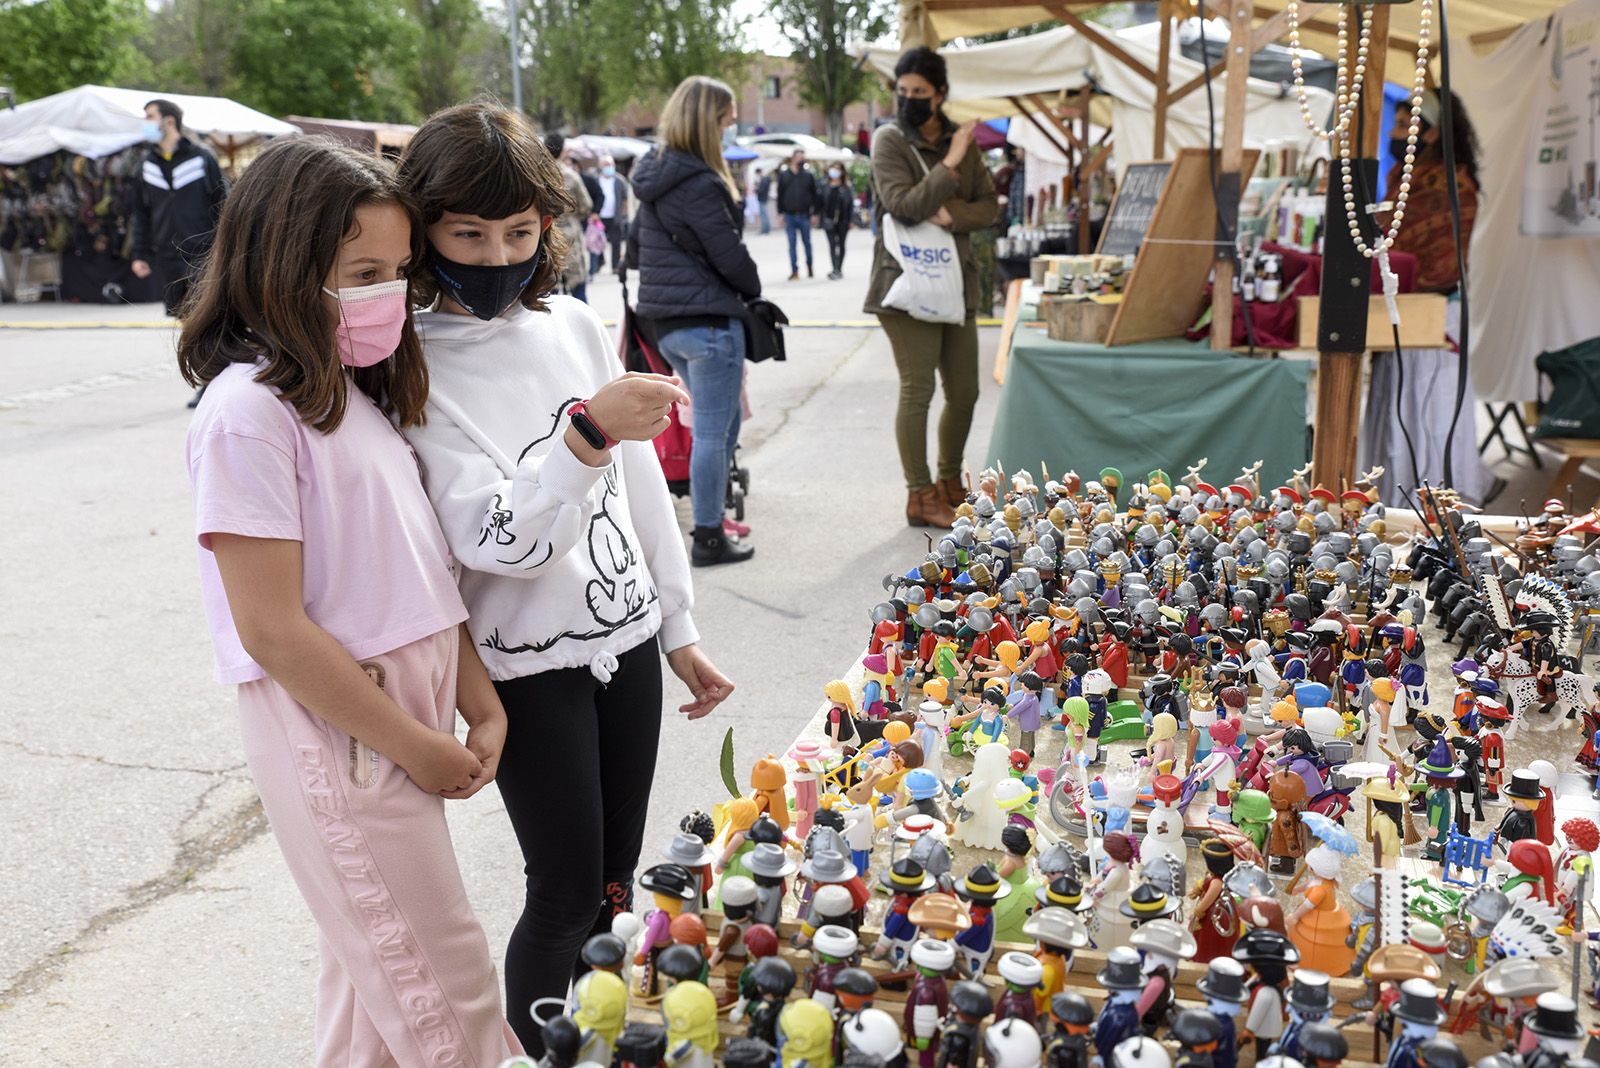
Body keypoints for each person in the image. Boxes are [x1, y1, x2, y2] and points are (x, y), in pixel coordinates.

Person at [394, 103, 735, 1054]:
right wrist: (583, 432)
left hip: (624, 645)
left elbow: (640, 488)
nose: (495, 254)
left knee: (619, 884)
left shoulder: (576, 323)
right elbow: (497, 539)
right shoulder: (410, 363)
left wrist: (677, 626)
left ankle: (597, 1039)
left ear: (549, 223)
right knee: (562, 894)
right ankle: (548, 1049)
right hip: (523, 663)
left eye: (517, 231)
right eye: (466, 233)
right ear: (423, 228)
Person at [178, 136, 520, 1065]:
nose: (390, 296)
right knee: (442, 984)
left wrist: (475, 698)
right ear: (282, 265)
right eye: (363, 272)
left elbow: (418, 572)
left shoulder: (345, 395)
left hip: (395, 716)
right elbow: (273, 629)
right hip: (347, 728)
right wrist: (410, 743)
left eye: (400, 271)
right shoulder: (246, 413)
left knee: (375, 994)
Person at [630, 76, 763, 566]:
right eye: (727, 120)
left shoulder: (652, 175)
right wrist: (754, 290)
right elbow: (728, 254)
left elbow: (637, 250)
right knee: (712, 431)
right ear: (709, 121)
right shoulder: (703, 182)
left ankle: (714, 516)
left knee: (718, 426)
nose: (732, 127)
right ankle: (708, 535)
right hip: (708, 321)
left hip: (666, 323)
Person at [866, 46, 998, 528]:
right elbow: (901, 204)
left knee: (964, 391)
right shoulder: (889, 141)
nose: (909, 100)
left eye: (919, 92)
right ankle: (920, 495)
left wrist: (953, 214)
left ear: (939, 94)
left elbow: (989, 205)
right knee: (917, 389)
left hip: (956, 282)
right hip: (905, 285)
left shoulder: (961, 140)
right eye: (902, 91)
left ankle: (948, 483)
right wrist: (952, 163)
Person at [131, 98, 229, 408]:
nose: (146, 122)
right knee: (187, 321)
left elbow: (223, 204)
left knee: (208, 317)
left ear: (169, 121)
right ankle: (207, 378)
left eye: (150, 116)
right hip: (167, 257)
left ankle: (214, 382)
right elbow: (141, 214)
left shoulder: (202, 158)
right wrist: (140, 253)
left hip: (203, 253)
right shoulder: (147, 164)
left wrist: (224, 249)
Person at [545, 133, 595, 302]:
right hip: (571, 236)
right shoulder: (571, 176)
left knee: (549, 292)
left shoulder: (538, 175)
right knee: (578, 288)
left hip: (546, 235)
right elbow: (586, 204)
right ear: (563, 150)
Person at [777, 149, 820, 280]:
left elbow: (815, 195)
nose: (801, 160)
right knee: (792, 244)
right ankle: (794, 271)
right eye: (799, 157)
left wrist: (815, 214)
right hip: (789, 215)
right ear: (793, 158)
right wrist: (781, 213)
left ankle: (810, 267)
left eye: (803, 157)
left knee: (807, 243)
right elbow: (780, 195)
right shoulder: (784, 175)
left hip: (804, 215)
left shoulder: (808, 175)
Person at [596, 152, 631, 275]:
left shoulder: (620, 180)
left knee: (616, 242)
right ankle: (600, 262)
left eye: (610, 164)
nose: (608, 167)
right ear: (601, 166)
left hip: (615, 217)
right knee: (598, 241)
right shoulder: (596, 180)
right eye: (606, 164)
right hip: (600, 217)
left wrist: (624, 214)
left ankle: (615, 265)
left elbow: (625, 199)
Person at [821, 163, 855, 280]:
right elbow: (821, 203)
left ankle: (839, 268)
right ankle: (834, 268)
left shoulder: (846, 187)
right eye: (833, 168)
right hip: (829, 220)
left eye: (838, 169)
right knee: (831, 245)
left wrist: (851, 220)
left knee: (841, 244)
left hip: (843, 221)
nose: (835, 171)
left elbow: (850, 205)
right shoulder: (825, 186)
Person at [755, 168, 774, 235]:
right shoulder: (766, 179)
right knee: (764, 214)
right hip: (763, 198)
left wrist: (756, 190)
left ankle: (765, 229)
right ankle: (765, 229)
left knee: (764, 215)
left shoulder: (764, 180)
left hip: (762, 198)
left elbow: (761, 190)